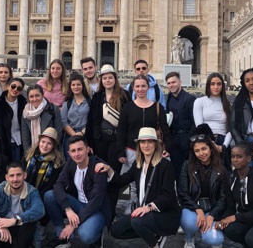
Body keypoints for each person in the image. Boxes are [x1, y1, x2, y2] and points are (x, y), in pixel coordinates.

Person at [98, 127, 180, 248]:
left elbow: (168, 196)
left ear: (156, 144)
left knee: (138, 221)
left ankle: (154, 245)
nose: (146, 145)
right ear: (139, 145)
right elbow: (121, 181)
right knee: (116, 229)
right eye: (143, 142)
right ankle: (153, 234)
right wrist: (109, 169)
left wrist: (148, 208)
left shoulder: (165, 165)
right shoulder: (138, 165)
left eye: (150, 141)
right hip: (145, 215)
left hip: (166, 215)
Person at [117, 74, 172, 215]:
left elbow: (165, 129)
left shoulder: (157, 107)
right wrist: (120, 152)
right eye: (138, 86)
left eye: (143, 86)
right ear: (133, 89)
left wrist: (168, 148)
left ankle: (148, 208)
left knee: (149, 180)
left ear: (148, 87)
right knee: (128, 183)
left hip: (151, 152)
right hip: (131, 151)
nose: (141, 89)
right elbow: (122, 130)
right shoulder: (127, 108)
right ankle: (126, 208)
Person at [44, 135, 111, 248]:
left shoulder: (98, 167)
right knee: (49, 196)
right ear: (69, 153)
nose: (77, 154)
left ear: (88, 149)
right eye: (73, 151)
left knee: (85, 235)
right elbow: (59, 184)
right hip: (78, 204)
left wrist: (72, 225)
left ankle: (97, 236)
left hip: (96, 210)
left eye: (80, 149)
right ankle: (62, 236)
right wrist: (67, 209)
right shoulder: (71, 163)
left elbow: (96, 201)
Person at [84, 64, 130, 216]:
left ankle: (112, 209)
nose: (107, 80)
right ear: (101, 80)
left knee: (114, 176)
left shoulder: (123, 95)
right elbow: (91, 121)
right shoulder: (97, 97)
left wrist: (123, 148)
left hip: (116, 141)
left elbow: (127, 122)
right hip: (100, 141)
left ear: (115, 79)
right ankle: (102, 207)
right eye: (105, 78)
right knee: (100, 175)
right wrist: (88, 143)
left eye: (110, 77)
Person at [178, 125, 227, 248]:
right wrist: (197, 209)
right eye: (197, 151)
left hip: (213, 208)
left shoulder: (221, 168)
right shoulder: (187, 165)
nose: (201, 153)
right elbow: (182, 193)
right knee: (190, 223)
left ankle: (210, 234)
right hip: (193, 208)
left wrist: (212, 215)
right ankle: (189, 237)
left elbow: (223, 198)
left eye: (204, 149)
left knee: (215, 240)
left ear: (211, 149)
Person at [0, 161, 45, 248]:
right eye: (12, 176)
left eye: (19, 175)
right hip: (2, 232)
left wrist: (16, 220)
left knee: (30, 220)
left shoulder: (31, 191)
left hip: (20, 232)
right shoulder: (0, 189)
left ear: (25, 175)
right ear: (7, 177)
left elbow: (39, 210)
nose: (15, 179)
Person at [24, 127, 65, 243]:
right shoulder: (29, 156)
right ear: (39, 142)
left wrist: (34, 196)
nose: (45, 146)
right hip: (25, 190)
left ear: (53, 146)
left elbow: (51, 185)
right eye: (43, 142)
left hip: (41, 194)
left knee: (48, 196)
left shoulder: (57, 163)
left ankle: (42, 224)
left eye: (49, 143)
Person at [193, 72, 232, 168]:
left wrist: (224, 146)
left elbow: (230, 129)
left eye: (219, 84)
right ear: (208, 86)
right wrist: (211, 144)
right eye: (212, 84)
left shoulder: (227, 104)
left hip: (223, 142)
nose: (216, 87)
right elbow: (200, 126)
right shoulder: (200, 102)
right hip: (206, 142)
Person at [165, 71, 196, 188]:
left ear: (180, 82)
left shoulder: (190, 98)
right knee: (177, 172)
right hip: (174, 140)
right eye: (169, 83)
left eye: (173, 82)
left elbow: (194, 122)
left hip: (186, 139)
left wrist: (189, 139)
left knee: (189, 171)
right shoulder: (169, 98)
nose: (171, 85)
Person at [0, 77, 27, 161]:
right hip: (3, 141)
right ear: (8, 87)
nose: (15, 89)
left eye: (19, 88)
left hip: (19, 140)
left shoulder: (24, 103)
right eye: (13, 86)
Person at [21, 84, 63, 152]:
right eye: (31, 96)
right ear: (28, 98)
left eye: (37, 95)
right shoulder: (26, 113)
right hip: (33, 151)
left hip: (51, 151)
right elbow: (25, 137)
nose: (34, 99)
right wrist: (28, 154)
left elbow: (58, 132)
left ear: (42, 95)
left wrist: (49, 150)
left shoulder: (52, 109)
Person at [61, 74, 91, 159]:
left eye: (78, 84)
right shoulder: (66, 103)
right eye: (73, 85)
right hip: (70, 137)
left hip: (86, 136)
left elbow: (92, 120)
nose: (76, 87)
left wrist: (81, 133)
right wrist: (74, 135)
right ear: (70, 87)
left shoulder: (90, 102)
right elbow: (64, 121)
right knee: (70, 162)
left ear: (82, 86)